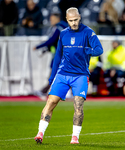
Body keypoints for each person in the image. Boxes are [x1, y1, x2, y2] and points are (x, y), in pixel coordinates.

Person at [34, 7, 103, 144]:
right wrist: (52, 76)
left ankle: (75, 137)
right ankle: (40, 133)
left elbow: (99, 50)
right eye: (71, 20)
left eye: (76, 20)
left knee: (78, 105)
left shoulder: (88, 32)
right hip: (63, 74)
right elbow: (58, 56)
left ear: (80, 17)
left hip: (80, 75)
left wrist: (88, 51)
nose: (74, 23)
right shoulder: (63, 34)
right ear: (67, 20)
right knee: (51, 102)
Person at [33, 13, 68, 98]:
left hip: (60, 56)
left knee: (54, 74)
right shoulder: (65, 27)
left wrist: (38, 46)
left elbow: (51, 40)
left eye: (52, 19)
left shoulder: (58, 28)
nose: (51, 21)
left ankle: (44, 91)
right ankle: (45, 91)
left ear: (57, 19)